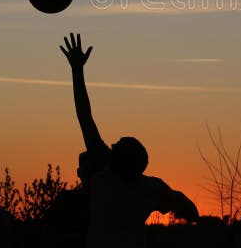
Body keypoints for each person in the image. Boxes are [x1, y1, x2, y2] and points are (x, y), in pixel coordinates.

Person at [60, 33, 198, 248]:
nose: (111, 145)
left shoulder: (105, 174)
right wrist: (178, 202)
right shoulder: (150, 187)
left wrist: (77, 70)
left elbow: (85, 117)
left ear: (115, 157)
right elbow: (191, 211)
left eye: (114, 146)